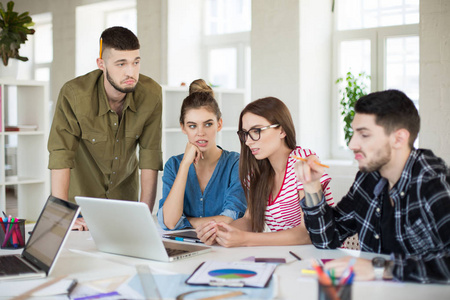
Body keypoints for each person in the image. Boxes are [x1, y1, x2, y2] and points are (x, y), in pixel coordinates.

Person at [297, 89, 450, 283]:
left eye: (364, 135)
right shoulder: (368, 178)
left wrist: (381, 269)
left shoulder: (433, 183)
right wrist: (311, 186)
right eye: (354, 133)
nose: (352, 144)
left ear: (399, 138)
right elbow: (327, 239)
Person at [48, 26, 163, 230]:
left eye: (135, 62)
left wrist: (143, 214)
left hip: (126, 207)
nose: (131, 72)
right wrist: (63, 215)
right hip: (80, 208)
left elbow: (150, 156)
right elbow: (60, 155)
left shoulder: (151, 94)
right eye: (121, 64)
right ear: (101, 64)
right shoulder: (74, 95)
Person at [196, 97, 334, 247]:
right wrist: (219, 230)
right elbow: (249, 220)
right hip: (290, 257)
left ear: (281, 130)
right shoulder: (257, 173)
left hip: (324, 257)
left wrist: (245, 239)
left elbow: (307, 233)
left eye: (256, 131)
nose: (248, 141)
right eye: (245, 133)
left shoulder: (302, 161)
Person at [157, 79, 247, 230]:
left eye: (208, 124)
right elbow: (170, 221)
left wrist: (184, 222)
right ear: (183, 128)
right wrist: (185, 164)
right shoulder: (174, 165)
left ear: (219, 124)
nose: (200, 133)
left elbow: (231, 219)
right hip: (183, 247)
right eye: (192, 126)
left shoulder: (235, 163)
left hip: (225, 249)